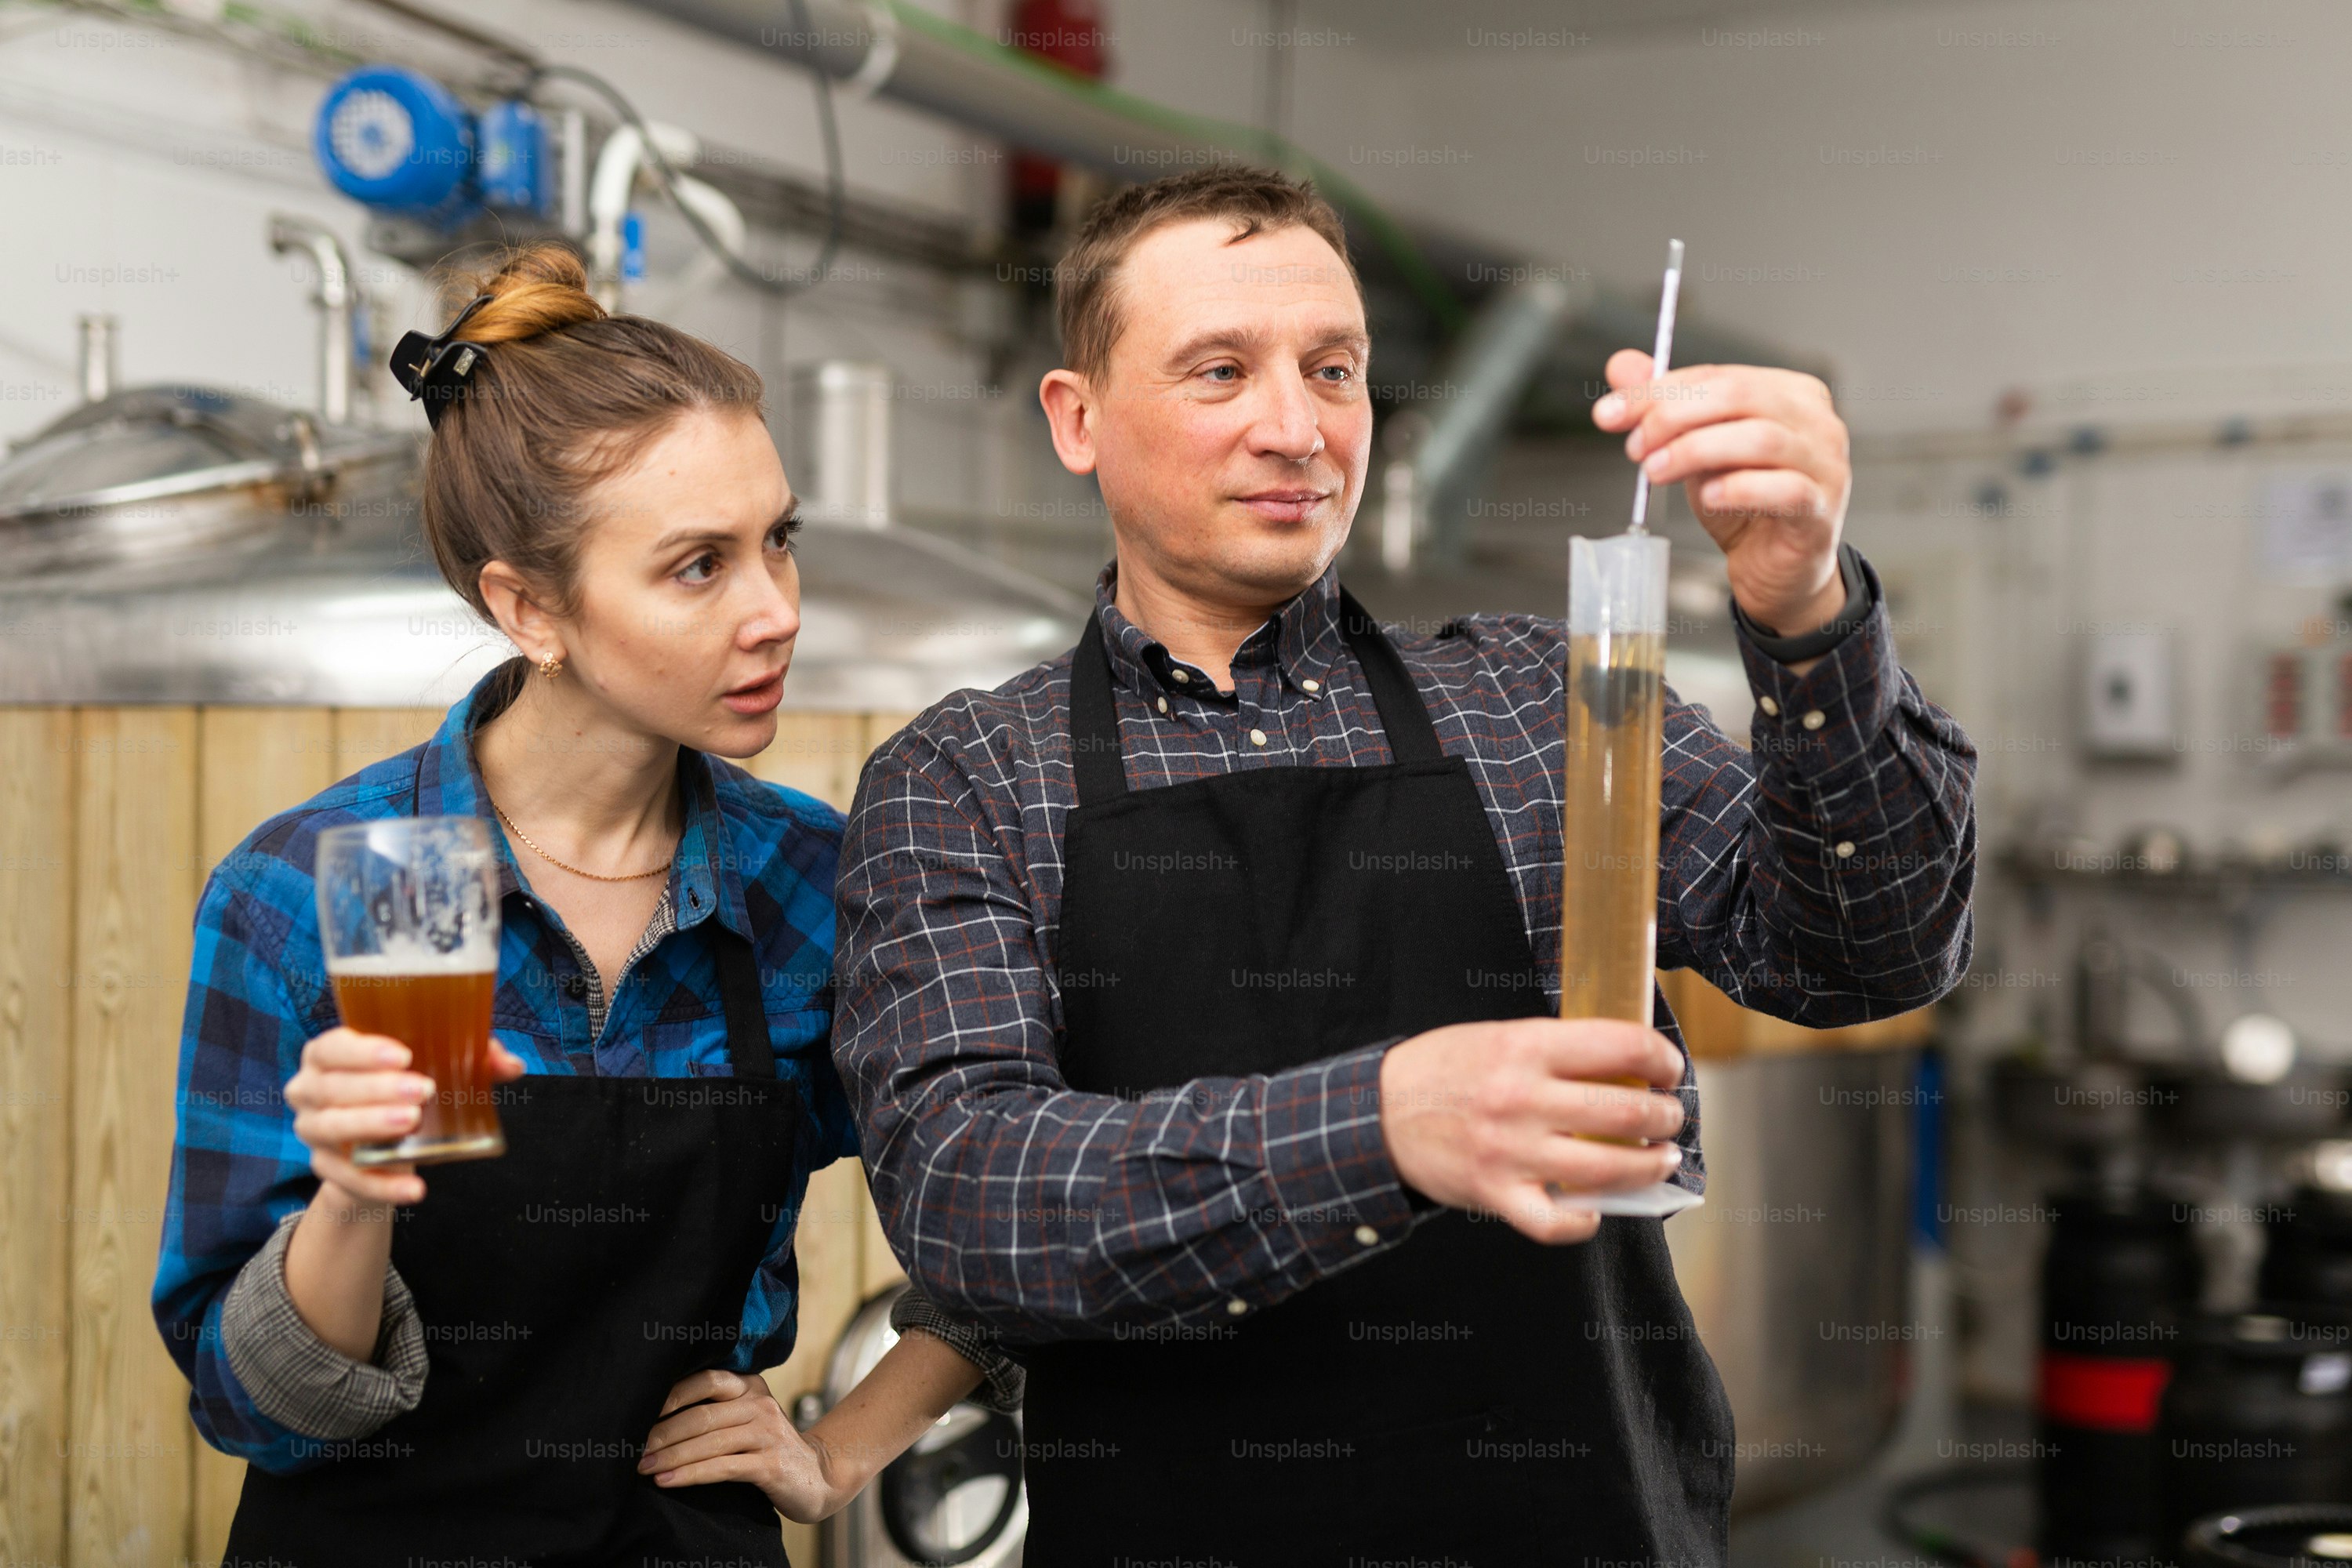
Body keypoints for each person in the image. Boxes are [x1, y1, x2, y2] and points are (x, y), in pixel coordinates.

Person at [832, 168, 1977, 1563]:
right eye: (1219, 371)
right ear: (1079, 421)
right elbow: (970, 1199)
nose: (1296, 426)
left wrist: (1807, 613)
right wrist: (1385, 1125)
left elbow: (1868, 950)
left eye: (1334, 369)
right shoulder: (971, 776)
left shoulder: (1543, 705)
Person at [152, 245, 1021, 1568]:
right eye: (697, 566)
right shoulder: (319, 887)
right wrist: (350, 1198)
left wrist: (842, 1447)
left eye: (777, 541)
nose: (776, 611)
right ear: (528, 606)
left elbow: (1011, 1210)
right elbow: (244, 1405)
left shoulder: (815, 886)